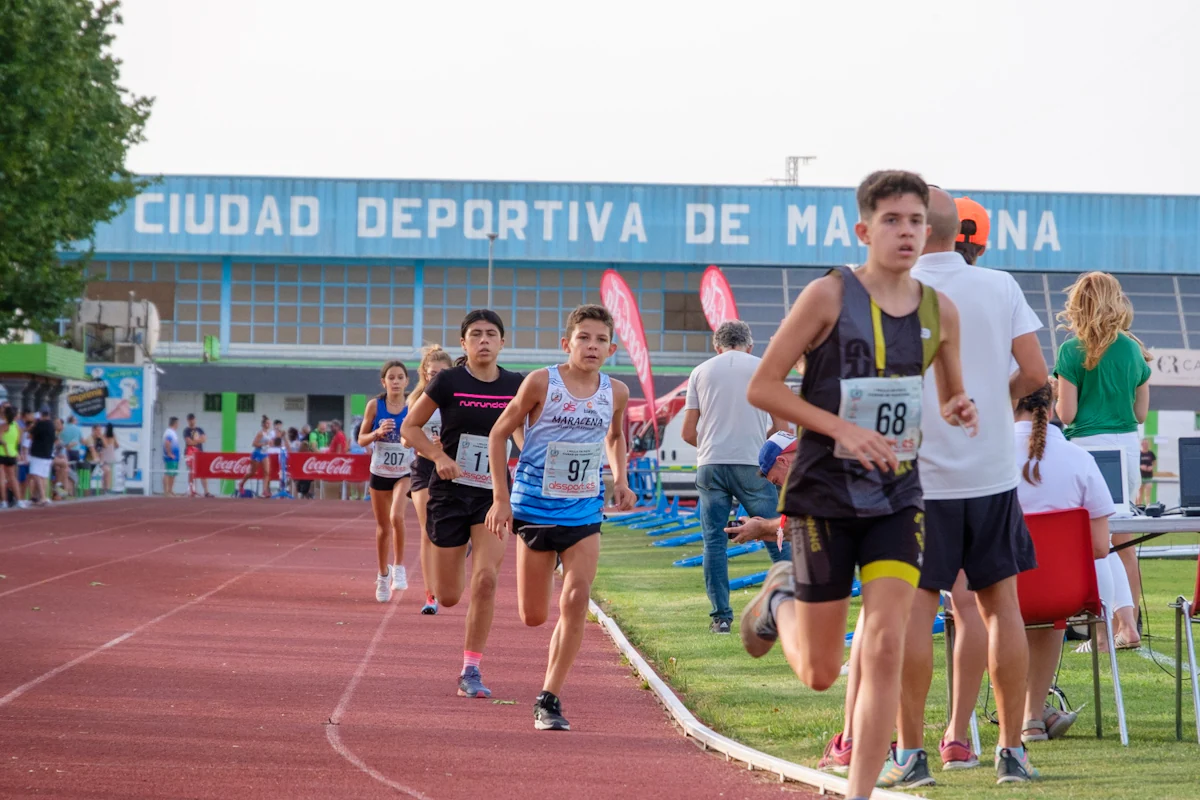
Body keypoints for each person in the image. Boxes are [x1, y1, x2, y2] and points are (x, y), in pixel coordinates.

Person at [740, 170, 977, 800]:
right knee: (821, 672)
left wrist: (960, 408)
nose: (906, 232)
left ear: (929, 232)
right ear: (864, 230)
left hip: (898, 495)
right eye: (893, 221)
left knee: (885, 647)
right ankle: (777, 598)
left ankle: (860, 793)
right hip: (823, 493)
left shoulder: (939, 310)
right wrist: (841, 429)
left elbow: (951, 394)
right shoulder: (827, 295)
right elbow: (762, 388)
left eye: (916, 221)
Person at [872, 189, 1047, 785]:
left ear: (918, 230)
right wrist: (995, 402)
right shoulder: (1000, 286)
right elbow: (1036, 373)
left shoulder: (889, 288)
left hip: (917, 480)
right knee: (1003, 609)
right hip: (990, 473)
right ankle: (1013, 752)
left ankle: (912, 754)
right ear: (962, 233)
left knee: (914, 616)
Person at [485, 304, 638, 731]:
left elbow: (614, 435)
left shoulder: (616, 392)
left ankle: (549, 697)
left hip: (584, 509)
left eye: (601, 340)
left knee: (575, 598)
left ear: (611, 347)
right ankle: (547, 682)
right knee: (533, 616)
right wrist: (501, 498)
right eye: (584, 338)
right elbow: (499, 435)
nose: (592, 346)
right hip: (533, 509)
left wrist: (620, 477)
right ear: (566, 343)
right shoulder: (541, 383)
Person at [401, 309, 524, 699]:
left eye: (491, 334)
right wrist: (438, 457)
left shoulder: (516, 385)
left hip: (493, 494)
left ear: (503, 342)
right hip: (450, 492)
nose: (483, 340)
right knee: (449, 595)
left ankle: (471, 669)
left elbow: (524, 434)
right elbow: (410, 427)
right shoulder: (448, 381)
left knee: (486, 581)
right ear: (464, 343)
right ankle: (459, 547)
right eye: (475, 334)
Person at [1014, 381, 1135, 742]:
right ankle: (1034, 716)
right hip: (1061, 595)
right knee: (1050, 614)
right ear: (1051, 409)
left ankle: (1025, 713)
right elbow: (1100, 546)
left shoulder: (985, 455)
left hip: (999, 590)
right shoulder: (1080, 459)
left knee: (997, 613)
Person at [1055, 271, 1152, 639]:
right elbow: (1140, 413)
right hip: (1126, 445)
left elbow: (1066, 415)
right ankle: (1128, 624)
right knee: (1124, 541)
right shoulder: (1132, 349)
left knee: (1091, 545)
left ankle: (1098, 628)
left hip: (1086, 449)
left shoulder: (1070, 351)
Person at [681, 319, 793, 634]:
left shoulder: (700, 371)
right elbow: (783, 429)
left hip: (711, 465)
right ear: (750, 346)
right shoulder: (763, 368)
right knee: (776, 535)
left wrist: (713, 448)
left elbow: (689, 432)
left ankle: (721, 618)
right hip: (753, 464)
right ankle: (795, 605)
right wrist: (759, 443)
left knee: (714, 542)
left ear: (717, 347)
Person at [359, 361, 414, 603]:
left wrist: (409, 438)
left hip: (404, 470)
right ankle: (383, 575)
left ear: (406, 381)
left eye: (400, 377)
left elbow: (420, 433)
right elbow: (361, 439)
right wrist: (377, 433)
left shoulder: (413, 405)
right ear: (384, 382)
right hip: (380, 471)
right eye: (391, 377)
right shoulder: (375, 405)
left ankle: (399, 566)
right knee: (382, 529)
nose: (395, 381)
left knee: (396, 517)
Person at [406, 343, 455, 615]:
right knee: (427, 530)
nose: (435, 377)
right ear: (424, 373)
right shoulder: (416, 400)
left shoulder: (456, 400)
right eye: (432, 372)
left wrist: (445, 445)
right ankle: (430, 594)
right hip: (424, 467)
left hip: (450, 468)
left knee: (444, 531)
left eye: (441, 373)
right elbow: (406, 436)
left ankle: (459, 547)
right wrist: (418, 441)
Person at [238, 416, 274, 498]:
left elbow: (268, 444)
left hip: (265, 454)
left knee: (267, 472)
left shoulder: (269, 433)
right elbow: (254, 444)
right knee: (253, 472)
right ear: (264, 424)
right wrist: (264, 444)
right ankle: (242, 483)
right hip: (257, 453)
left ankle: (264, 491)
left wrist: (270, 444)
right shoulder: (260, 433)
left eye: (269, 423)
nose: (269, 424)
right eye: (267, 423)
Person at [27, 409, 55, 507]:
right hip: (48, 453)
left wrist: (34, 424)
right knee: (43, 476)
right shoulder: (51, 425)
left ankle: (42, 497)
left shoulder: (40, 424)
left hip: (38, 453)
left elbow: (30, 435)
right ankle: (37, 497)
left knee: (36, 474)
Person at [183, 413, 212, 498]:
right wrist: (198, 440)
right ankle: (192, 490)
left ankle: (206, 491)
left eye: (193, 419)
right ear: (188, 421)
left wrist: (195, 441)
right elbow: (189, 442)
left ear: (195, 420)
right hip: (190, 453)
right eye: (190, 419)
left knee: (203, 472)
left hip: (200, 452)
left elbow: (204, 439)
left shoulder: (200, 429)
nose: (191, 421)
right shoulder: (186, 430)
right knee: (192, 472)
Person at [0, 406, 18, 509]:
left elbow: (1, 440)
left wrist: (5, 446)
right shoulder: (16, 426)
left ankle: (4, 501)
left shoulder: (4, 426)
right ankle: (19, 500)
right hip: (12, 454)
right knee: (12, 477)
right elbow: (18, 441)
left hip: (2, 453)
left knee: (2, 478)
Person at [161, 417, 182, 496]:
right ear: (175, 423)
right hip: (170, 457)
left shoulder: (173, 432)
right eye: (178, 423)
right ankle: (166, 491)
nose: (178, 425)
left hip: (175, 457)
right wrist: (169, 453)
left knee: (173, 474)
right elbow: (167, 442)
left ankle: (170, 490)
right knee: (168, 473)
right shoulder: (169, 432)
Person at [1138, 437, 1157, 505]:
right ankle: (1138, 507)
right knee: (1140, 494)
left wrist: (1151, 467)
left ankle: (1148, 507)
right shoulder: (1138, 453)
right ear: (1141, 444)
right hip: (1140, 476)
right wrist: (1141, 466)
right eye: (1144, 443)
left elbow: (1154, 462)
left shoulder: (1151, 453)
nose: (1146, 445)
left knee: (1148, 494)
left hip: (1148, 476)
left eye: (1147, 443)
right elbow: (1135, 463)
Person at [103, 423, 120, 493]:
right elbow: (117, 445)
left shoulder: (103, 436)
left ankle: (104, 488)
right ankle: (109, 488)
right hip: (111, 456)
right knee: (110, 473)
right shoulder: (113, 436)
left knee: (105, 473)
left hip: (105, 456)